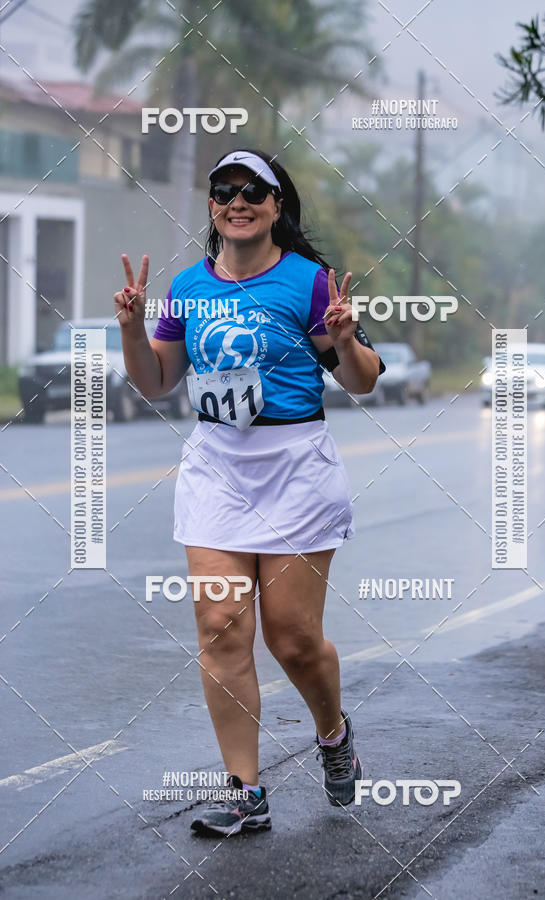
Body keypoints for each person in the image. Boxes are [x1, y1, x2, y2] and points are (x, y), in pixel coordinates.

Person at [113, 149, 385, 836]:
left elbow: (362, 381)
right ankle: (245, 791)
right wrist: (130, 329)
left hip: (294, 468)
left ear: (276, 205)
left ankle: (332, 734)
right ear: (212, 207)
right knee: (219, 628)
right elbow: (155, 383)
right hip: (217, 469)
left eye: (253, 191)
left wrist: (348, 343)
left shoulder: (309, 283)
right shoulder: (186, 289)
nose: (238, 200)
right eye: (224, 191)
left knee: (292, 640)